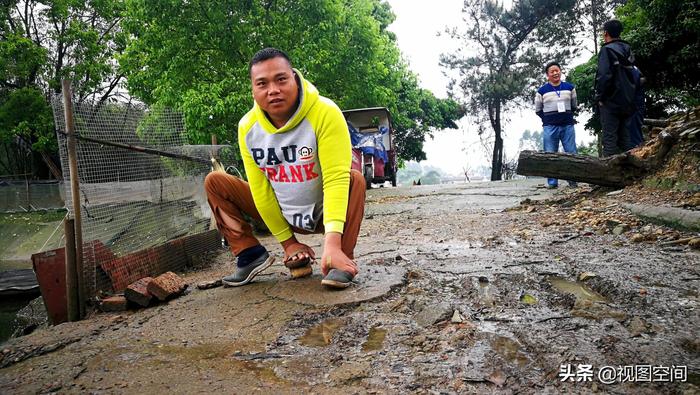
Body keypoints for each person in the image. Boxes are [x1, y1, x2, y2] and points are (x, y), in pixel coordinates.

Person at [204, 48, 365, 289]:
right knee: (215, 182)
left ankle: (339, 257)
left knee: (354, 180)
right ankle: (250, 255)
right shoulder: (248, 127)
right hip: (281, 211)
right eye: (262, 83)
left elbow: (335, 179)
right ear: (253, 90)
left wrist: (331, 242)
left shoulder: (325, 112)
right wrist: (288, 243)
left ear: (295, 79)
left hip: (323, 212)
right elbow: (261, 191)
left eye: (281, 79)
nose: (273, 90)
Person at [595, 19, 637, 156]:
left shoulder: (607, 50)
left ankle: (608, 174)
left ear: (605, 33)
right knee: (626, 139)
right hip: (628, 100)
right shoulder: (628, 49)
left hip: (610, 101)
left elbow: (604, 76)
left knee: (609, 139)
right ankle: (629, 172)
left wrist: (600, 97)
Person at [535, 61, 578, 189]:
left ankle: (573, 180)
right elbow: (538, 110)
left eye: (557, 70)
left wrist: (566, 116)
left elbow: (574, 105)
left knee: (571, 153)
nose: (555, 73)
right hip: (550, 127)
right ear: (547, 75)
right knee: (550, 154)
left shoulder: (570, 88)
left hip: (567, 125)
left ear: (560, 71)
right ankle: (552, 182)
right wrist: (548, 119)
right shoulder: (542, 91)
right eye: (552, 71)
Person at [627, 66, 645, 147]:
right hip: (636, 104)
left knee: (634, 133)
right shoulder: (635, 69)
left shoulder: (631, 69)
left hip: (634, 105)